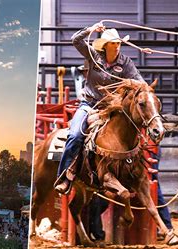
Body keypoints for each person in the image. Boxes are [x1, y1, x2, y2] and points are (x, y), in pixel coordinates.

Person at [54, 23, 148, 194]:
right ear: (105, 45)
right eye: (113, 43)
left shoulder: (125, 63)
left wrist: (131, 82)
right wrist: (91, 29)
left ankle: (130, 174)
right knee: (75, 135)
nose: (117, 46)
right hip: (89, 104)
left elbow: (142, 83)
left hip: (112, 107)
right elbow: (75, 40)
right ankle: (64, 176)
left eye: (118, 43)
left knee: (131, 131)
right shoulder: (93, 54)